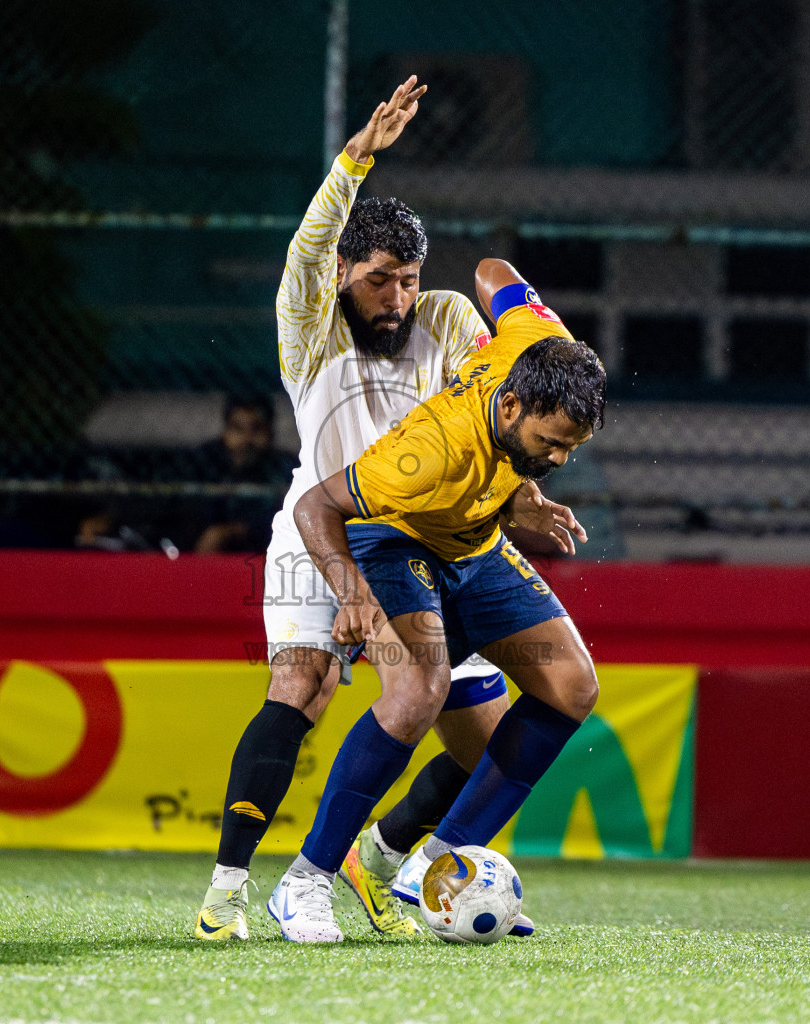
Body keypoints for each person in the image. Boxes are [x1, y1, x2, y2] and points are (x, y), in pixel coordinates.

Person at [194, 76, 518, 942]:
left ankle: (379, 861)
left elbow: (492, 412)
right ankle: (231, 890)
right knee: (305, 683)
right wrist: (357, 158)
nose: (397, 298)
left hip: (419, 542)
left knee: (487, 744)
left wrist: (526, 492)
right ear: (344, 273)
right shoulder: (312, 324)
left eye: (408, 280)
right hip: (320, 528)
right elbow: (305, 251)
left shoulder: (446, 318)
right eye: (380, 280)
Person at [266, 258, 604, 942]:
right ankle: (304, 881)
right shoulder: (425, 455)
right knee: (418, 688)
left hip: (473, 543)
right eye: (549, 444)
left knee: (571, 685)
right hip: (392, 545)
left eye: (571, 448)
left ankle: (434, 872)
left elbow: (492, 270)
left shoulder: (543, 351)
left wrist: (521, 491)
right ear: (510, 406)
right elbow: (316, 507)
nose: (558, 459)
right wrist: (351, 594)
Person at [190, 394, 294, 555]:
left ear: (270, 433)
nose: (247, 440)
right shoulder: (206, 463)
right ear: (225, 432)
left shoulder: (286, 468)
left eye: (256, 429)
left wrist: (233, 532)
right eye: (237, 429)